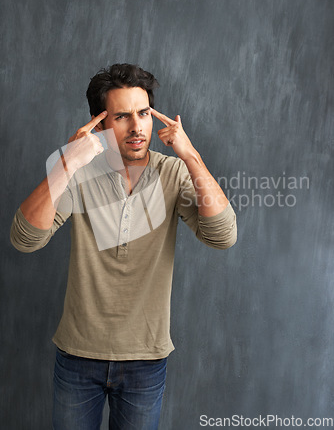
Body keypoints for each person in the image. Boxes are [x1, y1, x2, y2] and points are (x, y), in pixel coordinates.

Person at [10, 63, 237, 430]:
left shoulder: (173, 173)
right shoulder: (79, 174)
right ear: (100, 125)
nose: (137, 127)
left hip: (146, 359)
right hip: (77, 355)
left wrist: (190, 155)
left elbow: (223, 236)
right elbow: (24, 239)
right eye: (121, 117)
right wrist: (66, 163)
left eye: (144, 113)